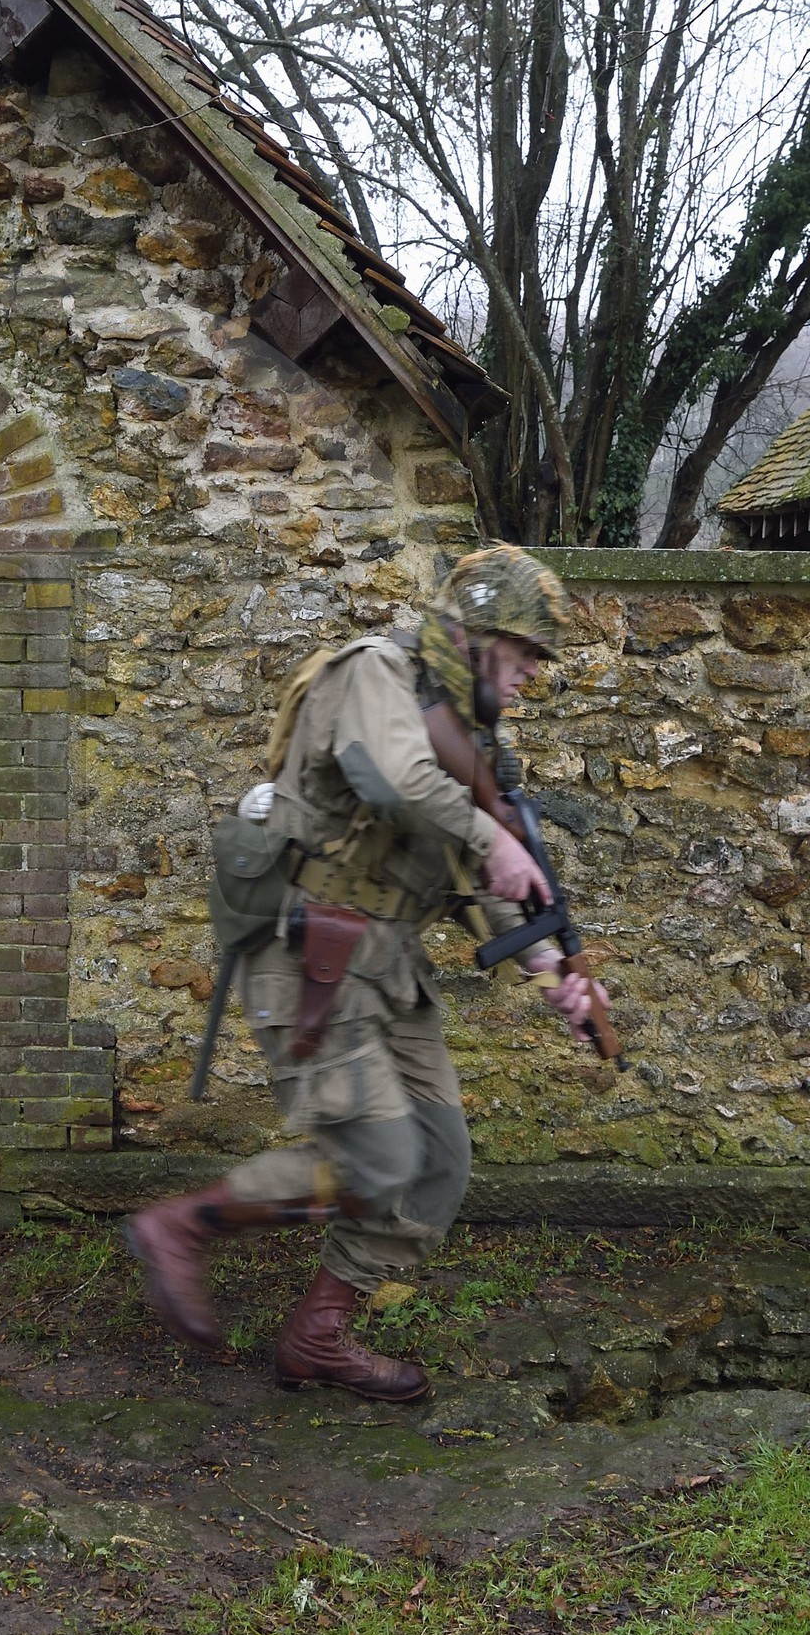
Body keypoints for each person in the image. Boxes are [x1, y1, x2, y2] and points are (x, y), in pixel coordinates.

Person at [127, 545, 607, 1401]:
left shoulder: (469, 746)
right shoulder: (373, 672)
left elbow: (475, 881)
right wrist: (490, 832)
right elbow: (388, 778)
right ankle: (182, 1225)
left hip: (391, 969)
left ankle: (319, 1335)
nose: (536, 673)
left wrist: (549, 965)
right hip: (312, 953)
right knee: (381, 1161)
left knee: (439, 1162)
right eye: (527, 652)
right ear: (474, 632)